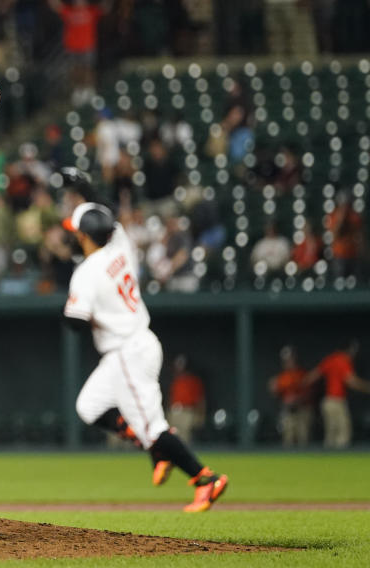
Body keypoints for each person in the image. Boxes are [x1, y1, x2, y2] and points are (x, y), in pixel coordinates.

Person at [62, 200, 228, 512]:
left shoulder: (85, 273)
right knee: (88, 406)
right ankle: (155, 448)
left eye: (76, 232)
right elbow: (111, 220)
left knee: (155, 430)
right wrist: (86, 192)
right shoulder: (121, 246)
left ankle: (205, 479)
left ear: (84, 236)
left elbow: (74, 322)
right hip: (133, 346)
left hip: (128, 354)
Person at [304, 341, 370, 449]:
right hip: (337, 401)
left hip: (327, 402)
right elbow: (351, 381)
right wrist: (369, 387)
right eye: (353, 350)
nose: (354, 353)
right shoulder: (343, 360)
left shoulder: (330, 359)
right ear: (348, 349)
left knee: (331, 435)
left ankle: (327, 464)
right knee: (343, 433)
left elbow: (310, 377)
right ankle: (340, 463)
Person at [268, 345, 311, 448]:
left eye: (290, 359)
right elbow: (275, 393)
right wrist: (273, 387)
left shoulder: (302, 374)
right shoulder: (282, 377)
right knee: (288, 439)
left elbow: (309, 394)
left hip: (302, 410)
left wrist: (296, 399)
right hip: (288, 411)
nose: (288, 362)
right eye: (285, 360)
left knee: (303, 439)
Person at [166, 355, 205, 444]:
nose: (178, 368)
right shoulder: (175, 380)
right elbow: (170, 397)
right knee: (172, 435)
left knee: (184, 438)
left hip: (187, 411)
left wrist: (200, 415)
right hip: (174, 411)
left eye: (180, 365)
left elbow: (200, 400)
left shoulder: (193, 380)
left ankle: (182, 456)